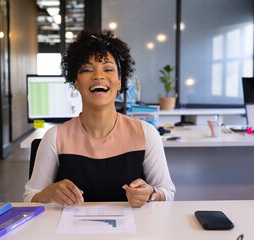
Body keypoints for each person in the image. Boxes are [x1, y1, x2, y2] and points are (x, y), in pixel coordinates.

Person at [24, 30, 175, 207]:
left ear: (119, 81)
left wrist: (151, 193)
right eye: (87, 70)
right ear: (76, 82)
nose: (98, 76)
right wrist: (48, 193)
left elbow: (167, 192)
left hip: (131, 234)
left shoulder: (145, 133)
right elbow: (29, 198)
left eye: (108, 69)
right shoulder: (55, 137)